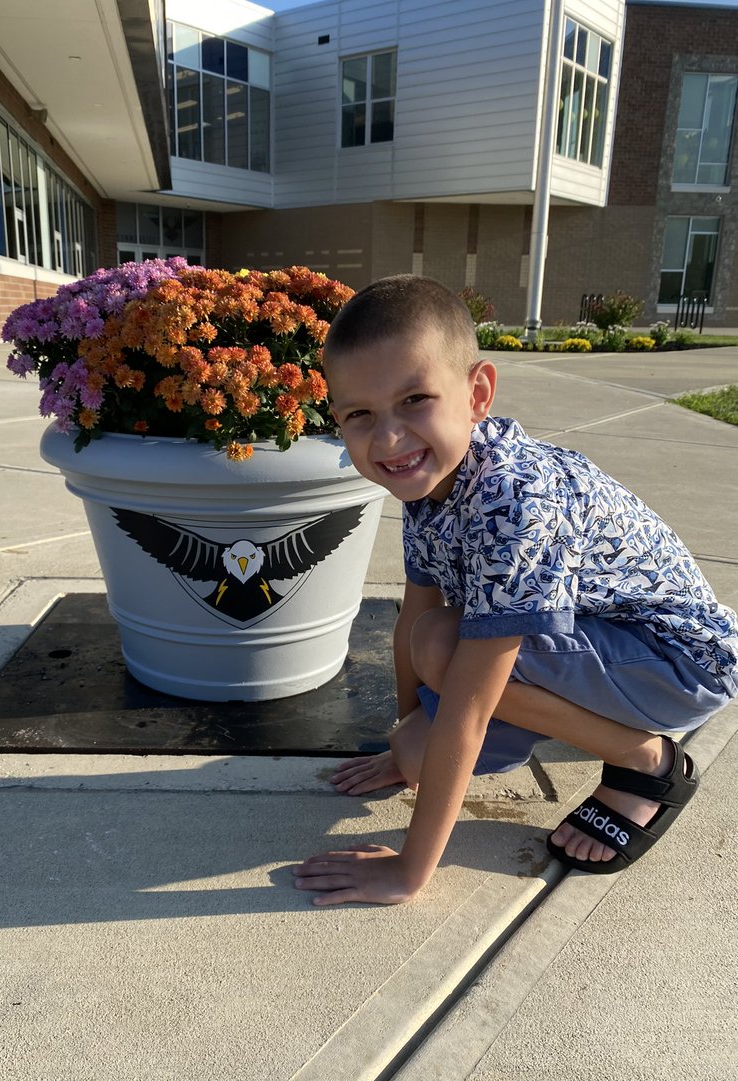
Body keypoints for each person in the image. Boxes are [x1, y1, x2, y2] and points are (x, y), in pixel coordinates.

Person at [292, 275, 738, 907]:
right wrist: (404, 736)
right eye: (359, 415)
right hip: (594, 649)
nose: (387, 439)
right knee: (420, 744)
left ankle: (643, 760)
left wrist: (409, 872)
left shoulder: (514, 501)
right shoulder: (431, 474)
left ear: (477, 393)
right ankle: (580, 726)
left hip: (679, 663)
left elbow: (467, 695)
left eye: (415, 399)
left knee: (445, 648)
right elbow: (411, 616)